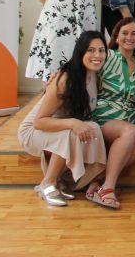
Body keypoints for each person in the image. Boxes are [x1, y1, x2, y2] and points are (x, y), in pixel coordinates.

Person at [18, 31, 107, 207]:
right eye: (91, 50)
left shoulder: (93, 75)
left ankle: (65, 180)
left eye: (101, 50)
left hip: (58, 129)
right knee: (71, 132)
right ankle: (47, 182)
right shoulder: (66, 79)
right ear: (80, 52)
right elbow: (39, 121)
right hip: (35, 131)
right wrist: (73, 123)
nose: (97, 55)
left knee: (94, 129)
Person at [90, 17, 135, 208]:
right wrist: (58, 75)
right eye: (125, 33)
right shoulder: (106, 56)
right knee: (130, 131)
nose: (130, 37)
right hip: (104, 117)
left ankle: (98, 180)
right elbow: (80, 66)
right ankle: (108, 188)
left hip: (129, 121)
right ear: (116, 37)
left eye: (134, 33)